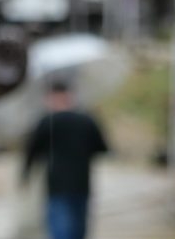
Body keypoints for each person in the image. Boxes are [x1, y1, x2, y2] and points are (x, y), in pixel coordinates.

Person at [22, 78, 109, 239]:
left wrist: (25, 176)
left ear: (51, 97)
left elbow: (31, 152)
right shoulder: (87, 120)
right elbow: (103, 148)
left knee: (60, 229)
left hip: (57, 185)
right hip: (82, 183)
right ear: (70, 96)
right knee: (78, 229)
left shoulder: (47, 122)